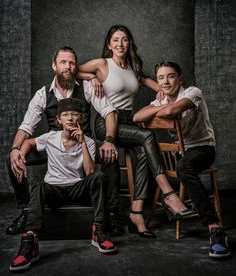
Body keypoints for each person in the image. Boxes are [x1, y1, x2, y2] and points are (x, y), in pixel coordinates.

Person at [78, 25, 192, 238]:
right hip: (106, 121)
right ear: (109, 44)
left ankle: (136, 213)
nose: (120, 44)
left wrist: (165, 98)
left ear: (129, 43)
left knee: (144, 154)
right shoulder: (102, 64)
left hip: (130, 121)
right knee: (148, 136)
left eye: (124, 39)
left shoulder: (133, 68)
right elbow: (72, 69)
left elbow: (161, 87)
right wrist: (91, 77)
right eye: (115, 40)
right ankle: (168, 193)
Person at [7, 46, 124, 236]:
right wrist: (14, 149)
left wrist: (109, 140)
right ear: (54, 65)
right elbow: (26, 127)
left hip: (83, 146)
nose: (68, 67)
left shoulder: (87, 87)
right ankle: (27, 211)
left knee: (110, 154)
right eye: (63, 62)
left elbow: (110, 112)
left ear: (76, 67)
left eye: (71, 63)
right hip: (52, 146)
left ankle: (111, 214)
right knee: (12, 157)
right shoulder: (43, 94)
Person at [133, 60, 230, 258]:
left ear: (179, 78)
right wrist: (156, 109)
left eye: (170, 76)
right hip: (178, 153)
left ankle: (215, 229)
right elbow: (137, 117)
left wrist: (155, 113)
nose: (165, 82)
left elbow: (169, 111)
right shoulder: (160, 100)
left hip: (202, 148)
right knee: (147, 154)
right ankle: (171, 199)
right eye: (161, 78)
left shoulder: (193, 93)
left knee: (183, 167)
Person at [9, 98, 117, 272]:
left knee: (98, 177)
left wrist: (82, 142)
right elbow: (29, 142)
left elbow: (89, 173)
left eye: (74, 114)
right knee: (38, 185)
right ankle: (30, 241)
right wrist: (21, 156)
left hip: (77, 189)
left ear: (80, 119)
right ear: (59, 120)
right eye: (65, 115)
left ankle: (99, 230)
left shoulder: (87, 142)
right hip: (54, 191)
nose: (70, 118)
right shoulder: (51, 137)